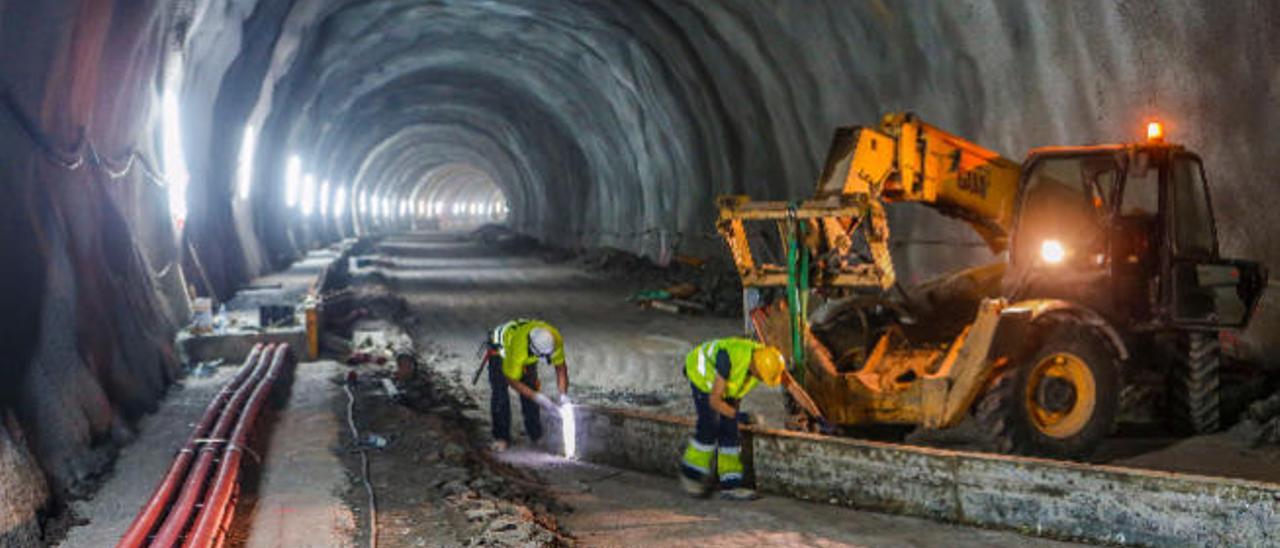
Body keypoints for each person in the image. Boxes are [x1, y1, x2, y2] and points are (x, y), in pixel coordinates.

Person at [679, 337, 821, 500]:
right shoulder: (728, 360)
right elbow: (715, 401)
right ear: (756, 369)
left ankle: (731, 484)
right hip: (702, 377)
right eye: (761, 378)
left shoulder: (768, 359)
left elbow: (794, 388)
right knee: (709, 426)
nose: (761, 381)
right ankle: (691, 475)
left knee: (730, 431)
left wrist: (817, 416)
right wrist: (740, 416)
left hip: (726, 385)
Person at [482, 319, 570, 452]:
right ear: (531, 349)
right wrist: (537, 397)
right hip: (500, 348)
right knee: (500, 393)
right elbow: (512, 380)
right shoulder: (518, 350)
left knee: (531, 385)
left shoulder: (554, 339)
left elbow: (561, 369)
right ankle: (501, 437)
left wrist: (563, 394)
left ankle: (535, 434)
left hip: (525, 343)